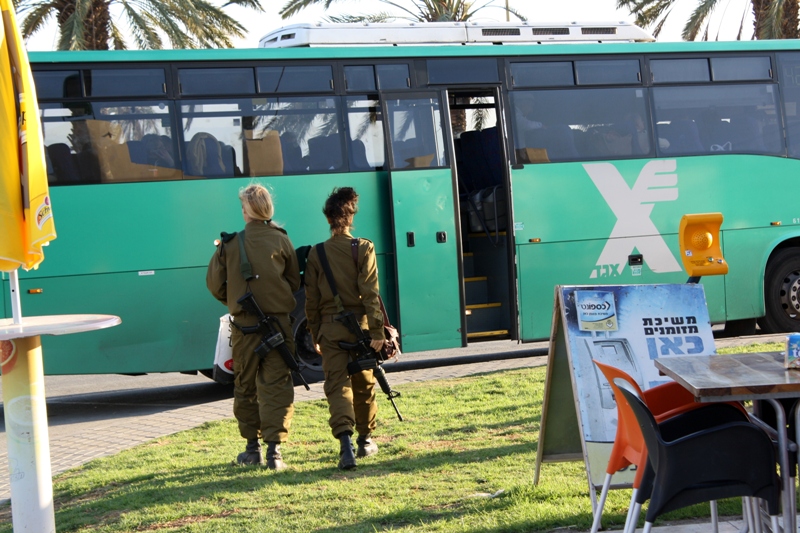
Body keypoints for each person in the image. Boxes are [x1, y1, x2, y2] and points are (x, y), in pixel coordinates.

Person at [206, 183, 300, 469]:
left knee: (245, 386)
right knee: (277, 386)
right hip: (278, 327)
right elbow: (294, 282)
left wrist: (235, 301)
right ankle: (275, 453)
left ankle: (252, 449)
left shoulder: (230, 244)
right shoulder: (282, 240)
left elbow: (214, 285)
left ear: (247, 209)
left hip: (245, 328)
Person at [304, 187, 384, 470]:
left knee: (337, 387)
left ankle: (345, 445)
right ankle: (365, 441)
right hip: (360, 330)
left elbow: (311, 302)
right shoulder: (364, 248)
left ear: (328, 219)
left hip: (329, 330)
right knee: (364, 385)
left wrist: (316, 334)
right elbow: (370, 294)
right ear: (351, 218)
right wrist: (377, 332)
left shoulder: (316, 253)